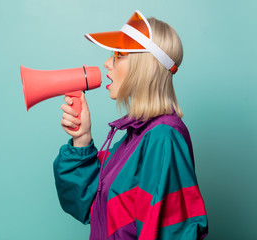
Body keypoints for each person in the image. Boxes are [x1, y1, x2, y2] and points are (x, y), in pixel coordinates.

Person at [53, 10, 208, 240]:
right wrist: (82, 138)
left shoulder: (163, 137)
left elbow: (171, 233)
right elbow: (86, 204)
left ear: (143, 65)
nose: (107, 63)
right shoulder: (132, 139)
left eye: (118, 55)